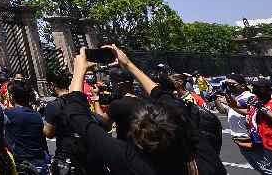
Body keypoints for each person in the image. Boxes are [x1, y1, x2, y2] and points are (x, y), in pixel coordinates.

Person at [62, 46, 194, 175]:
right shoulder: (190, 153)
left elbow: (87, 119)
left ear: (137, 131)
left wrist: (79, 71)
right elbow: (165, 97)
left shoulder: (126, 157)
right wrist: (129, 64)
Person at [2, 81, 48, 175]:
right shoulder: (36, 115)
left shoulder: (10, 115)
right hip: (39, 162)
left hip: (21, 165)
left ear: (11, 97)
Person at [103, 69, 140, 141]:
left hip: (126, 145)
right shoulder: (143, 100)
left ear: (121, 85)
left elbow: (103, 120)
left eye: (113, 83)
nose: (112, 86)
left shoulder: (117, 104)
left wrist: (96, 99)